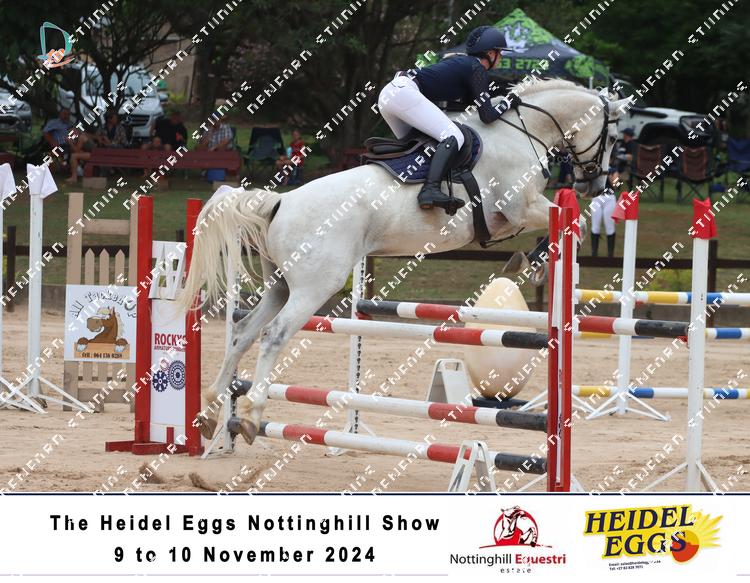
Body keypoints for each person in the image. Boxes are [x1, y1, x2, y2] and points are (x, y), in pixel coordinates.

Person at [377, 25, 517, 214]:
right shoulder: (476, 68)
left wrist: (502, 93)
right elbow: (487, 116)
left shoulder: (466, 65)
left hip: (391, 94)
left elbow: (473, 103)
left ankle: (408, 193)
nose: (501, 57)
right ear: (490, 53)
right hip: (404, 93)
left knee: (420, 147)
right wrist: (508, 102)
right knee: (454, 136)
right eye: (500, 53)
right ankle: (430, 190)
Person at [589, 169, 618, 257]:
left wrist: (608, 176)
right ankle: (594, 254)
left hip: (609, 197)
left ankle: (610, 255)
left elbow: (615, 185)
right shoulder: (596, 167)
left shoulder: (613, 169)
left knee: (610, 227)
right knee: (595, 226)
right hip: (597, 197)